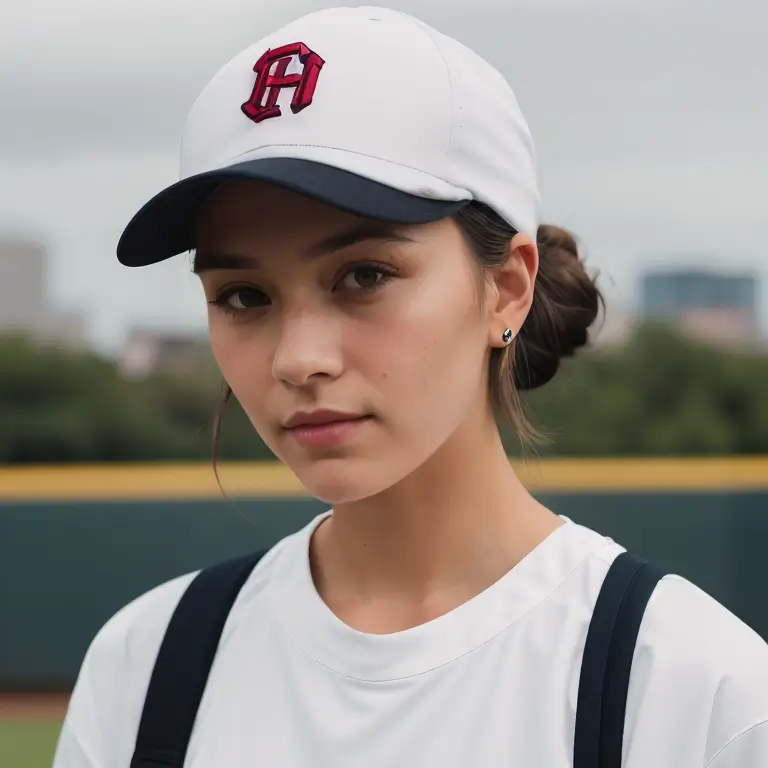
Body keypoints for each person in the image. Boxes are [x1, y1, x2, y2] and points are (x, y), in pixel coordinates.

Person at [54, 6, 768, 768]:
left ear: (507, 289)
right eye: (243, 295)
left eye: (364, 276)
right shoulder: (147, 666)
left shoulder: (694, 692)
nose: (298, 358)